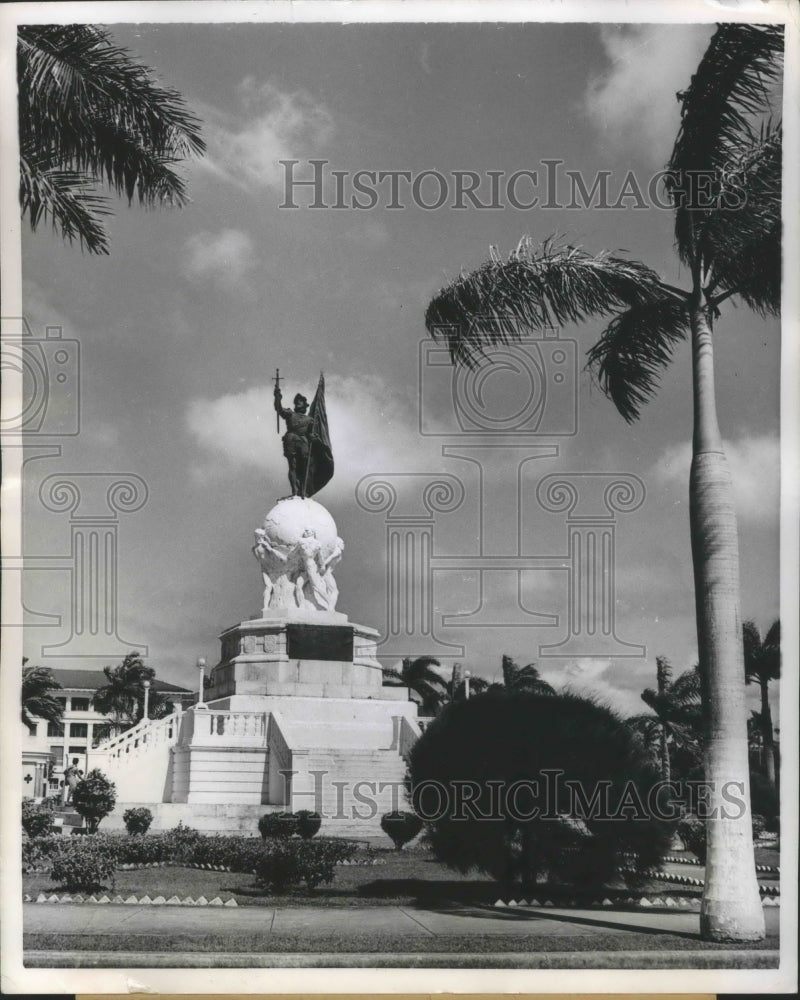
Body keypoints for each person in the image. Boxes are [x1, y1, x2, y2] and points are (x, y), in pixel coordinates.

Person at [274, 387, 315, 497]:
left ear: (305, 405)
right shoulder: (290, 413)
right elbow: (279, 409)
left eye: (300, 402)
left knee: (304, 467)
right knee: (293, 466)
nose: (297, 403)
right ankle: (295, 491)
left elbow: (310, 433)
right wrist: (277, 397)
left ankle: (302, 490)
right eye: (296, 402)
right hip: (291, 439)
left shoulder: (310, 420)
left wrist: (312, 436)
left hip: (303, 442)